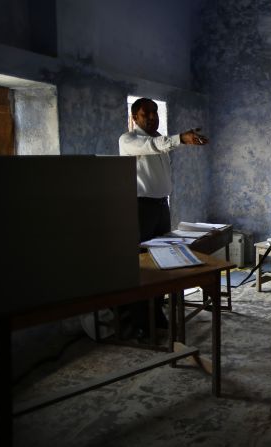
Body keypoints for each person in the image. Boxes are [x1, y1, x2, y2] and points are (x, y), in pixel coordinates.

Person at [118, 97, 208, 339]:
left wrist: (176, 140)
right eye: (146, 113)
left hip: (160, 207)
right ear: (134, 117)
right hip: (140, 208)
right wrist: (181, 138)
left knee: (161, 261)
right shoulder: (129, 140)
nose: (152, 117)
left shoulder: (158, 140)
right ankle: (140, 322)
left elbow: (157, 145)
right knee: (142, 264)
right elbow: (153, 146)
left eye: (155, 112)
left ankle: (156, 313)